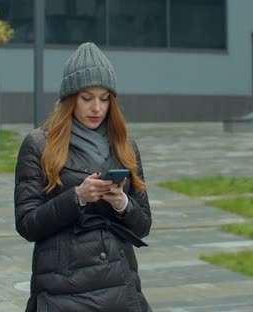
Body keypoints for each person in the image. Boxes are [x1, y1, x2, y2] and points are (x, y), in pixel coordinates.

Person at [14, 42, 152, 312]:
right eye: (87, 98)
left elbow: (143, 224)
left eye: (104, 99)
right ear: (70, 98)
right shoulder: (38, 144)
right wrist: (76, 197)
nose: (96, 108)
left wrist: (121, 202)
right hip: (63, 290)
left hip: (119, 286)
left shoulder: (125, 145)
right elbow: (27, 223)